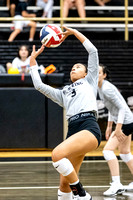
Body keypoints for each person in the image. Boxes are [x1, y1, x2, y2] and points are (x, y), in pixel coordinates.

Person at [29, 26, 101, 200]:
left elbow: (93, 51)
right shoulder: (64, 92)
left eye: (78, 67)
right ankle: (76, 192)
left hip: (88, 126)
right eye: (72, 68)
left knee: (56, 155)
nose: (73, 69)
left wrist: (74, 33)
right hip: (73, 130)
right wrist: (32, 61)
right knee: (63, 185)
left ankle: (82, 194)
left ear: (86, 73)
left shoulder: (89, 81)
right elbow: (39, 86)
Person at [98, 64, 133, 196]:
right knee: (124, 153)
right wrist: (108, 127)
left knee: (107, 151)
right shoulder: (100, 87)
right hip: (126, 121)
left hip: (126, 122)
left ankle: (117, 184)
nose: (96, 74)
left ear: (104, 75)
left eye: (99, 73)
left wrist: (117, 129)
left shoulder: (107, 89)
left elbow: (122, 108)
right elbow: (112, 109)